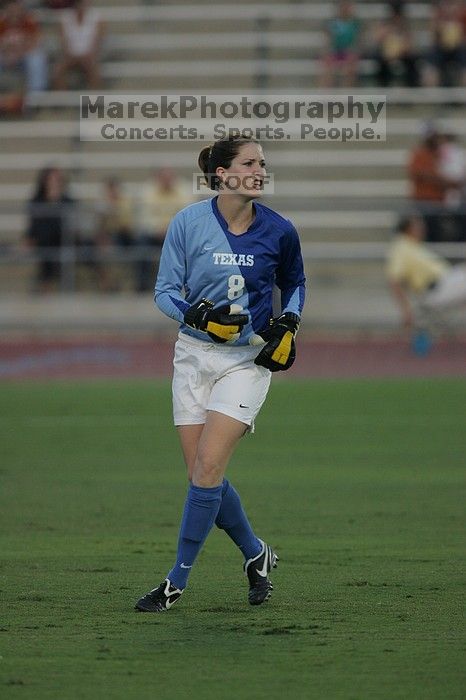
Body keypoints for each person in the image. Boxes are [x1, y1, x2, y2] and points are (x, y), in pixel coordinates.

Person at [134, 136, 306, 612]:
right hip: (193, 356)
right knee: (201, 476)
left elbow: (294, 281)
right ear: (222, 174)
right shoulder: (188, 222)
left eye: (262, 163)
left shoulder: (280, 230)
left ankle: (175, 582)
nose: (259, 170)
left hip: (245, 364)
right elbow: (164, 291)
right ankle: (257, 555)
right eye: (249, 163)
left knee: (208, 468)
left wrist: (289, 321)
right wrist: (196, 316)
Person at [386, 214, 466, 330]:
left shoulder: (413, 245)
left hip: (445, 283)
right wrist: (406, 310)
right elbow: (394, 280)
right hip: (435, 291)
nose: (422, 228)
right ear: (409, 229)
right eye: (418, 226)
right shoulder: (401, 247)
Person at [135, 167, 192, 292]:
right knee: (141, 244)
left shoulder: (184, 191)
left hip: (177, 233)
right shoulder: (148, 192)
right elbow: (144, 217)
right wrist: (157, 228)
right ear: (158, 179)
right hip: (154, 234)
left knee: (192, 244)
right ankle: (142, 284)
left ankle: (188, 285)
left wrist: (170, 229)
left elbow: (188, 215)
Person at [25, 166, 75, 292]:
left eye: (56, 179)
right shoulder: (37, 200)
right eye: (50, 179)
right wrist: (28, 239)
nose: (53, 182)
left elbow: (72, 224)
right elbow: (33, 226)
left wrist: (56, 200)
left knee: (84, 246)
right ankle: (46, 285)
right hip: (44, 240)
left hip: (64, 239)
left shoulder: (68, 200)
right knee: (45, 244)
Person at [0, 0, 48, 99]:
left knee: (37, 59)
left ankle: (36, 96)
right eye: (11, 9)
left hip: (23, 56)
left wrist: (19, 53)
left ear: (21, 10)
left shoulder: (29, 22)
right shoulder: (2, 23)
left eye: (16, 9)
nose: (14, 12)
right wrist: (7, 53)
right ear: (6, 10)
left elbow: (35, 43)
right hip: (5, 56)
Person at [53, 0, 104, 90]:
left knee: (94, 70)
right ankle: (64, 101)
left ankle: (94, 102)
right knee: (57, 70)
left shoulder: (96, 16)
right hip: (70, 55)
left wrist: (89, 54)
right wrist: (70, 54)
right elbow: (63, 41)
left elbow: (98, 40)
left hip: (89, 55)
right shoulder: (65, 17)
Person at [370, 3, 419, 87]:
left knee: (413, 63)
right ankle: (383, 90)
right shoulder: (385, 25)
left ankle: (411, 90)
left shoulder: (405, 27)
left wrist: (398, 53)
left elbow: (410, 45)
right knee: (381, 64)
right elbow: (377, 39)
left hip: (402, 54)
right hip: (386, 55)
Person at [424, 0, 466, 87]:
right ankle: (431, 95)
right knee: (430, 68)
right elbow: (432, 36)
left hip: (459, 48)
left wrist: (458, 40)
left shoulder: (463, 13)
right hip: (441, 48)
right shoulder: (438, 13)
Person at [319, 1, 360, 87]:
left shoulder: (355, 23)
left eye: (347, 6)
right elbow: (328, 40)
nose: (344, 9)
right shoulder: (332, 22)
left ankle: (348, 92)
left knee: (350, 66)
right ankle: (326, 94)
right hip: (335, 51)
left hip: (349, 52)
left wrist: (353, 51)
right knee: (326, 65)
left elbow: (358, 41)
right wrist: (327, 52)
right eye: (342, 6)